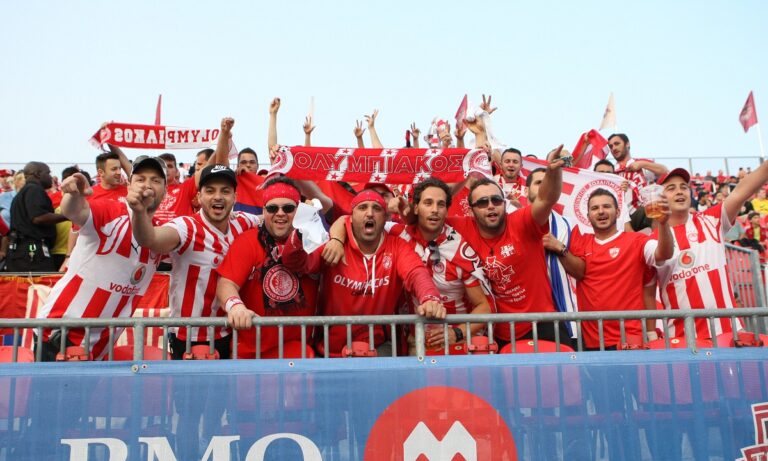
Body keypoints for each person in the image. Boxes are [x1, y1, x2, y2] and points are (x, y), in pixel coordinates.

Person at [282, 189, 446, 357]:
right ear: (351, 217)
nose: (370, 213)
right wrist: (302, 230)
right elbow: (295, 263)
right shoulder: (334, 244)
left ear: (385, 218)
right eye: (362, 208)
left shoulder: (397, 246)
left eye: (377, 208)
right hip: (330, 349)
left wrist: (429, 298)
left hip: (380, 347)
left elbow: (416, 273)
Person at [35, 156, 167, 361]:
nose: (147, 185)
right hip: (61, 335)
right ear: (129, 186)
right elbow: (75, 211)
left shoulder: (160, 234)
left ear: (165, 191)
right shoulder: (110, 210)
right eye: (140, 179)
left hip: (101, 346)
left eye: (156, 180)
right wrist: (72, 194)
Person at [447, 147, 569, 348]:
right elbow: (435, 208)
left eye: (496, 200)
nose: (490, 205)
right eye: (482, 202)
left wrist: (553, 171)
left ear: (504, 204)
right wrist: (463, 172)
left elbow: (546, 199)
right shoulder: (464, 227)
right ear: (471, 210)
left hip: (543, 325)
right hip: (502, 332)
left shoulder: (521, 221)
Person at [551, 188, 673, 349]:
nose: (601, 211)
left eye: (606, 206)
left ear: (618, 211)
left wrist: (663, 224)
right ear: (588, 216)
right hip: (591, 342)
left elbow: (664, 253)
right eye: (595, 208)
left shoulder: (636, 240)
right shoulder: (580, 241)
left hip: (629, 341)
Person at [655, 165, 768, 339]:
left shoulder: (712, 219)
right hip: (683, 340)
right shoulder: (651, 241)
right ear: (659, 198)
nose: (679, 191)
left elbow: (741, 191)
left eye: (684, 187)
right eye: (671, 188)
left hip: (730, 333)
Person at [216, 177, 320, 359]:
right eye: (272, 208)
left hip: (298, 353)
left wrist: (336, 236)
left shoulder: (314, 241)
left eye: (288, 208)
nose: (280, 213)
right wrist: (235, 306)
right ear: (264, 211)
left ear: (299, 210)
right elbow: (226, 283)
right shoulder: (247, 241)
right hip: (250, 354)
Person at [384, 178, 491, 353]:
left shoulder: (459, 249)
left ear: (447, 210)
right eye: (428, 203)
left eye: (441, 204)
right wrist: (337, 237)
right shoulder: (397, 234)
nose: (435, 210)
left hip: (457, 344)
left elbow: (484, 307)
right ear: (416, 208)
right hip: (416, 342)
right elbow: (351, 221)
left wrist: (456, 333)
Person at [6, 162, 68, 272]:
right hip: (32, 253)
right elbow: (38, 217)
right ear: (37, 174)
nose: (50, 177)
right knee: (39, 282)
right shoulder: (34, 190)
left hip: (21, 252)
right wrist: (69, 216)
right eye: (48, 173)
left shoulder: (24, 192)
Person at [151, 152, 197, 225]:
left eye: (169, 166)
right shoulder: (148, 190)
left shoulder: (186, 188)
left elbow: (210, 169)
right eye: (162, 166)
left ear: (176, 171)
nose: (166, 169)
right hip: (151, 231)